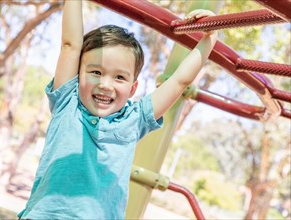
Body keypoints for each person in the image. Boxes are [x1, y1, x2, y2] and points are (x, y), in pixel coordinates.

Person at [18, 1, 218, 219]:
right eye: (96, 72)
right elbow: (70, 45)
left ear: (132, 89)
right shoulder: (68, 102)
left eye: (119, 77)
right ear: (78, 75)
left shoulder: (135, 119)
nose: (105, 84)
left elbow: (180, 81)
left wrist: (209, 39)